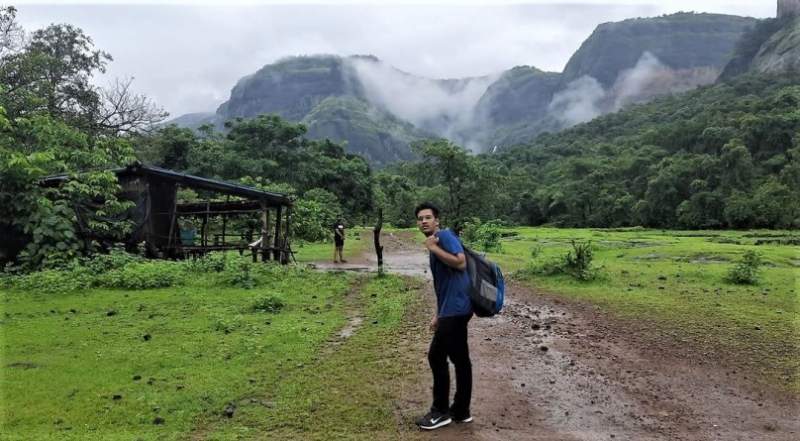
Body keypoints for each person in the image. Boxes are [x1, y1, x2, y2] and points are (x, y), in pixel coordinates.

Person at [414, 202, 473, 431]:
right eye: (420, 218)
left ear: (437, 220)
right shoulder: (436, 240)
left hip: (457, 309)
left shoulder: (444, 236)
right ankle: (461, 411)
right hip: (453, 309)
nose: (424, 221)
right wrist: (438, 314)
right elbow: (442, 285)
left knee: (436, 357)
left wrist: (433, 248)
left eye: (428, 217)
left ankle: (440, 411)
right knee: (460, 360)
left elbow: (461, 262)